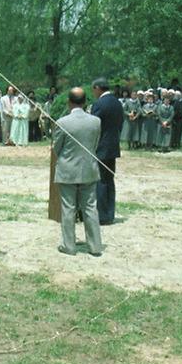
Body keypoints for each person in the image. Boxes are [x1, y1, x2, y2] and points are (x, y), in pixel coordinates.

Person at [53, 87, 103, 257]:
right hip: (89, 169)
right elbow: (95, 145)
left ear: (69, 102)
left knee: (68, 208)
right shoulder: (96, 121)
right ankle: (95, 246)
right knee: (90, 207)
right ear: (85, 102)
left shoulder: (62, 122)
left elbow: (56, 148)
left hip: (67, 171)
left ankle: (69, 246)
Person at [90, 78, 123, 225]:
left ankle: (102, 215)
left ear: (97, 88)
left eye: (93, 90)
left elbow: (93, 126)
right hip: (113, 146)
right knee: (109, 180)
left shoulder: (99, 104)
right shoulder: (117, 102)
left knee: (101, 181)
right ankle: (110, 213)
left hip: (101, 147)